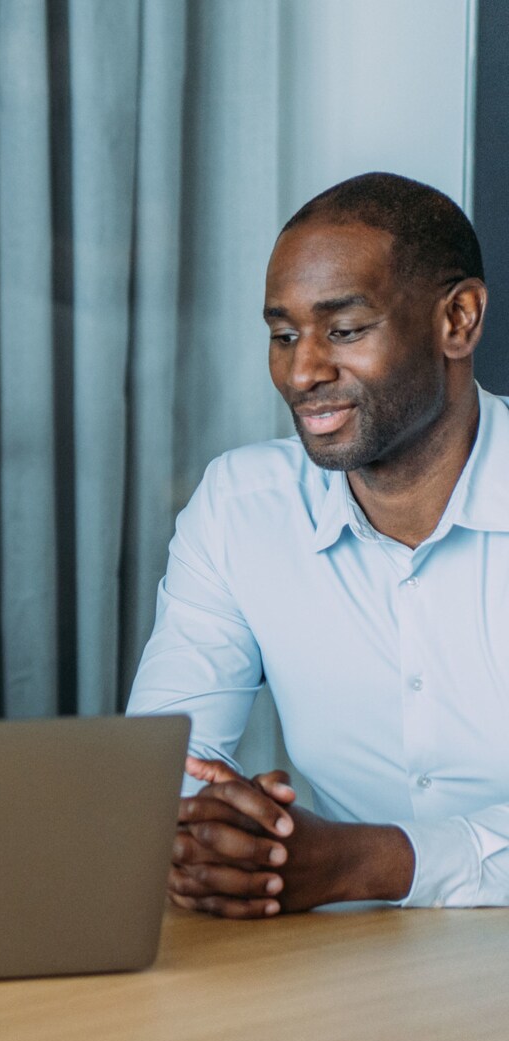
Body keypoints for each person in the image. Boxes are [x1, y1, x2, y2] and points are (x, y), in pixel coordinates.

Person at [128, 172, 506, 916]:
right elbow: (164, 768)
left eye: (344, 330)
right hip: (331, 967)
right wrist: (228, 839)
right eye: (282, 335)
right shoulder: (243, 508)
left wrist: (372, 863)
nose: (303, 372)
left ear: (458, 320)